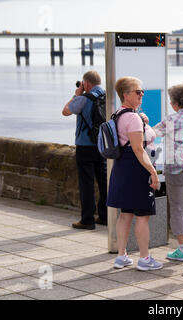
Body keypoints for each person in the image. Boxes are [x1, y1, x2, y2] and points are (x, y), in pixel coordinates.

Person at [107, 76, 163, 271]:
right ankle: (145, 259)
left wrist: (142, 119)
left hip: (122, 167)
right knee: (143, 216)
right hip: (138, 169)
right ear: (125, 94)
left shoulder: (118, 114)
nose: (142, 95)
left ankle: (121, 256)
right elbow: (139, 150)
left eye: (142, 91)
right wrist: (153, 173)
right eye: (137, 92)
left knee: (125, 214)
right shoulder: (132, 118)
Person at [152, 83, 183, 262]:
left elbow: (151, 133)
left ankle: (182, 248)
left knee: (178, 207)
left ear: (174, 103)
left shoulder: (171, 120)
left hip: (176, 168)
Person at [62, 70, 107, 230]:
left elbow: (66, 111)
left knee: (86, 184)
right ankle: (105, 215)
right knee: (104, 182)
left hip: (85, 145)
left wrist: (76, 94)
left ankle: (87, 219)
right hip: (103, 145)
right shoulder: (107, 96)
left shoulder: (83, 99)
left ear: (86, 83)